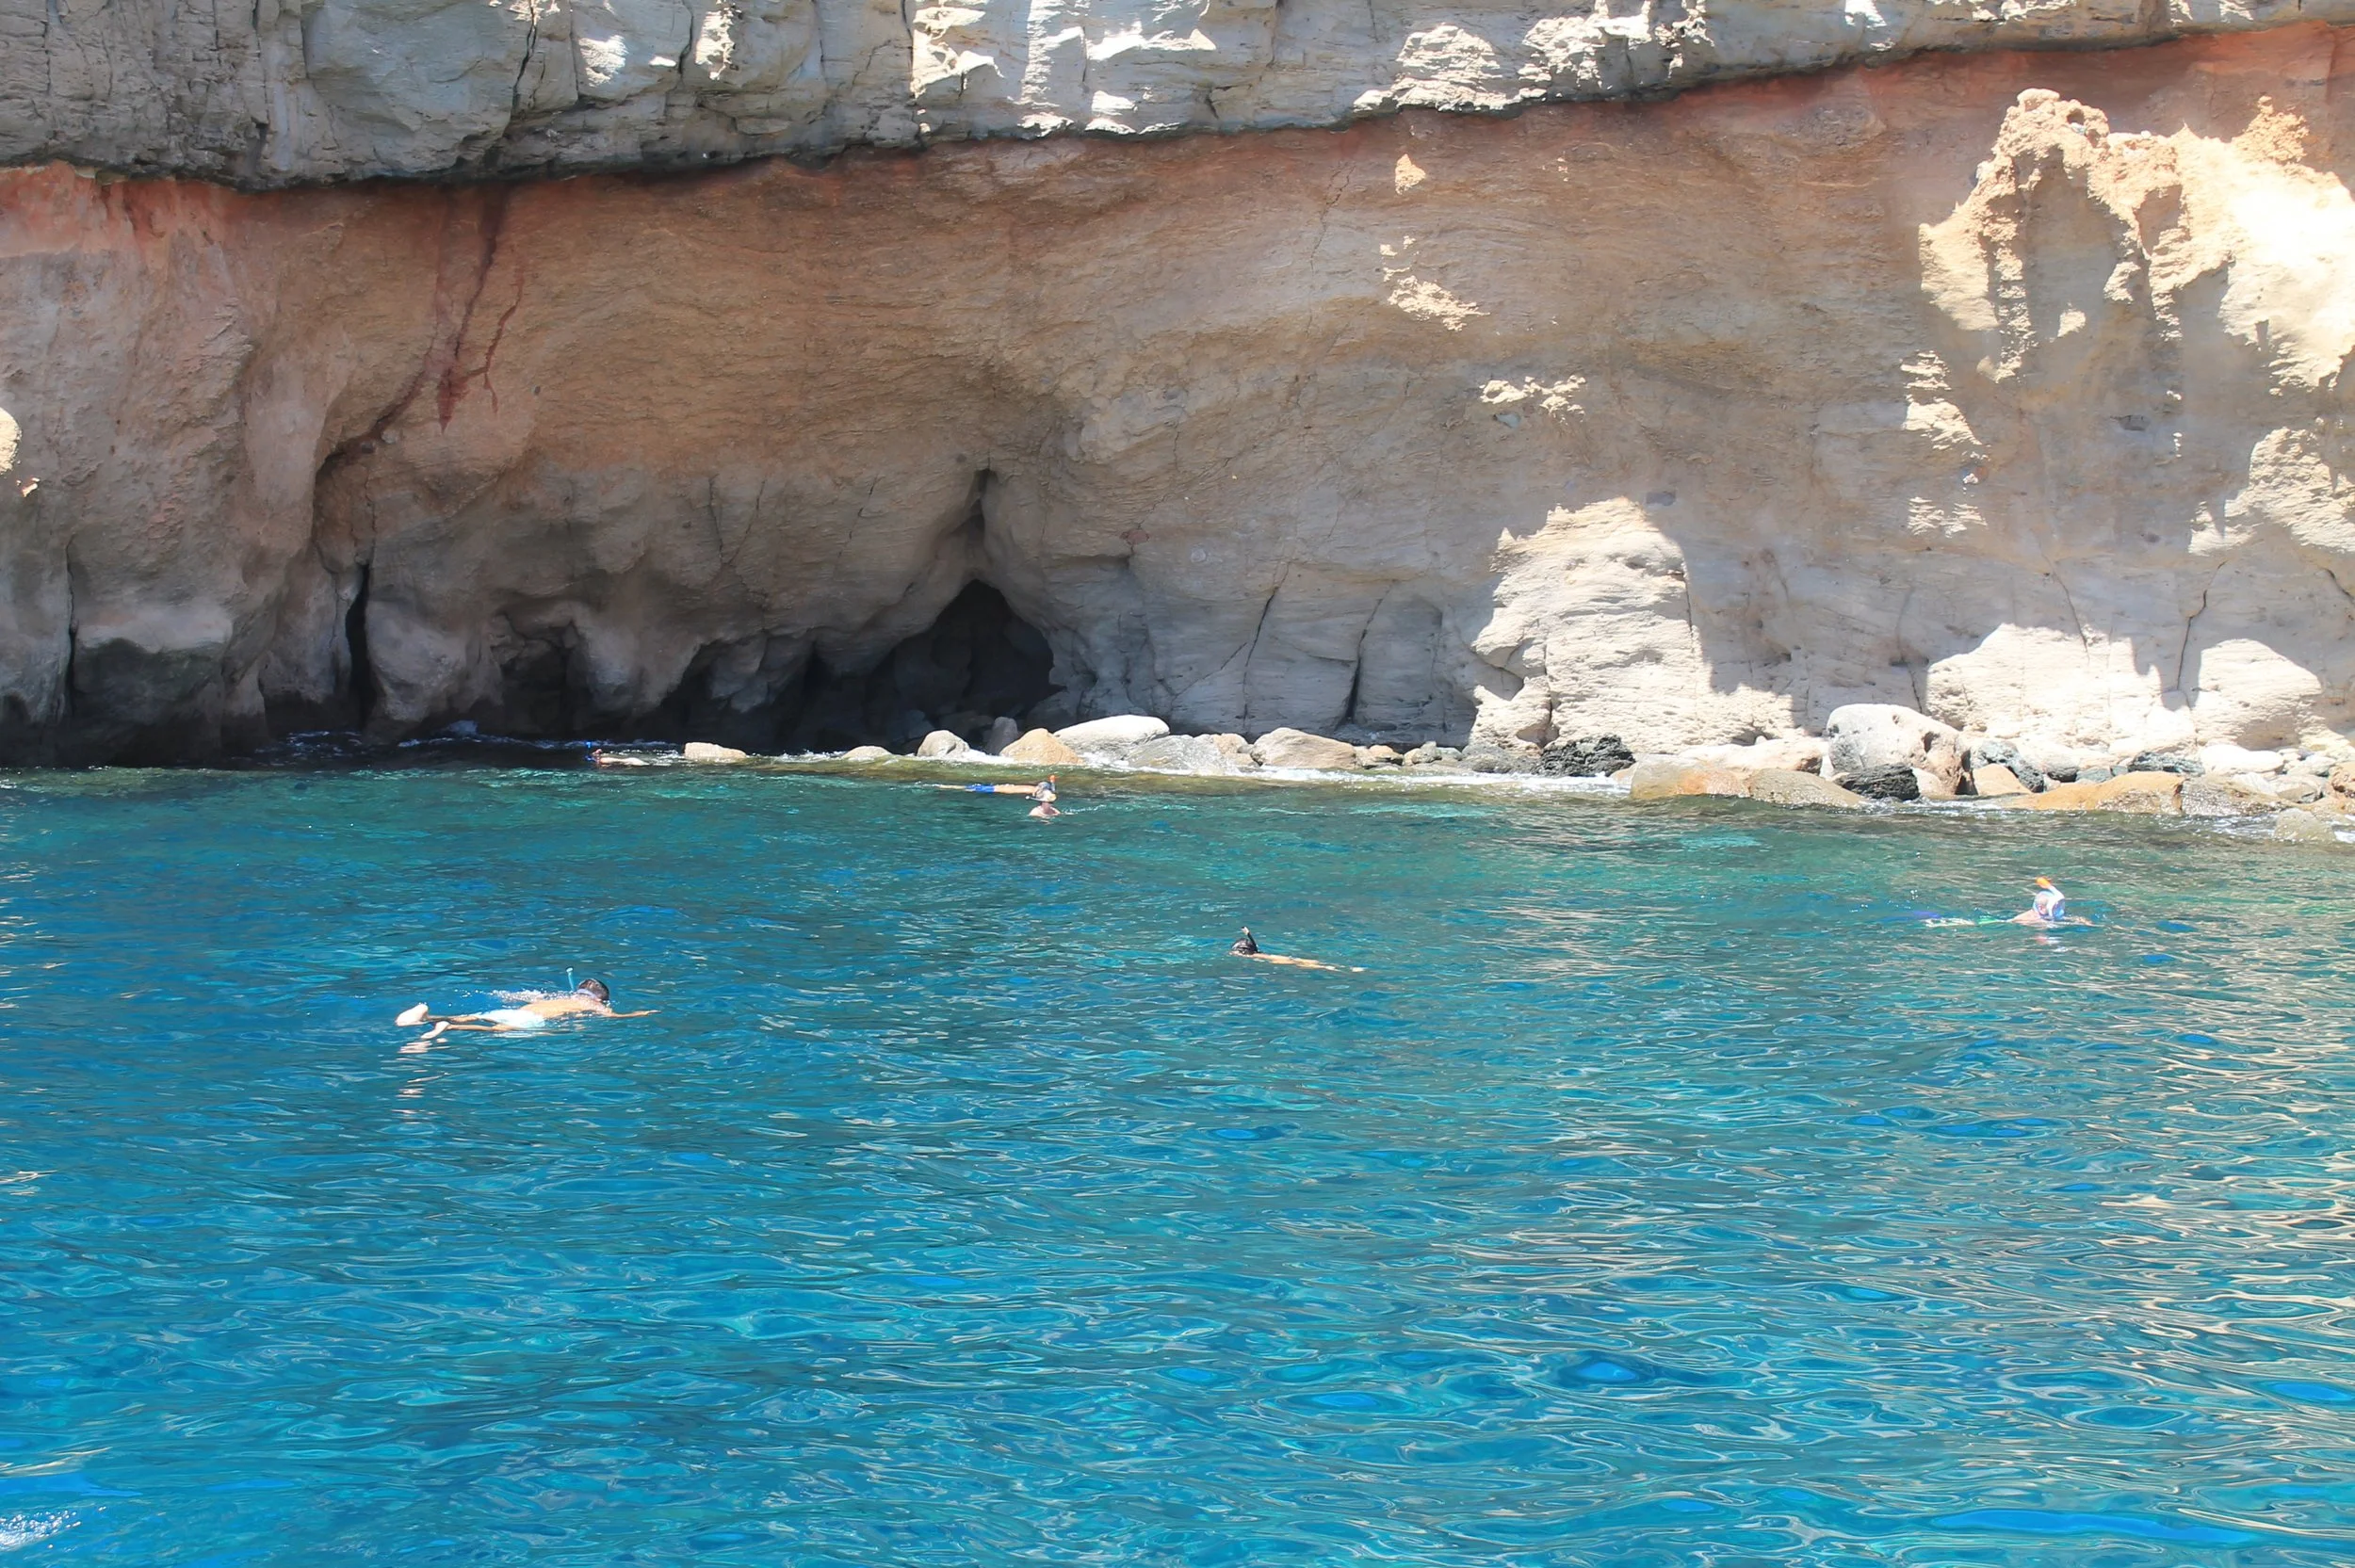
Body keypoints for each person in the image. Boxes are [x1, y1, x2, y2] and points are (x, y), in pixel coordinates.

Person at [396, 978, 652, 1042]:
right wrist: (637, 1015)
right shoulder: (590, 1004)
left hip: (517, 1009)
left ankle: (428, 1016)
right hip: (530, 1019)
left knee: (479, 1016)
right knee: (498, 1030)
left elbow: (519, 996)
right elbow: (614, 1017)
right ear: (600, 999)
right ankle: (449, 1027)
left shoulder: (559, 996)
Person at [1229, 927, 1363, 973]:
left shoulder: (1253, 956)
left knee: (1321, 967)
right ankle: (1345, 967)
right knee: (1318, 964)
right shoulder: (1259, 955)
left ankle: (1344, 968)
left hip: (1287, 961)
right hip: (1287, 959)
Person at [2012, 877, 2076, 927]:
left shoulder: (2050, 914)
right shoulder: (2026, 919)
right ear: (2041, 908)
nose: (2057, 909)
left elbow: (2071, 919)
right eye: (2054, 907)